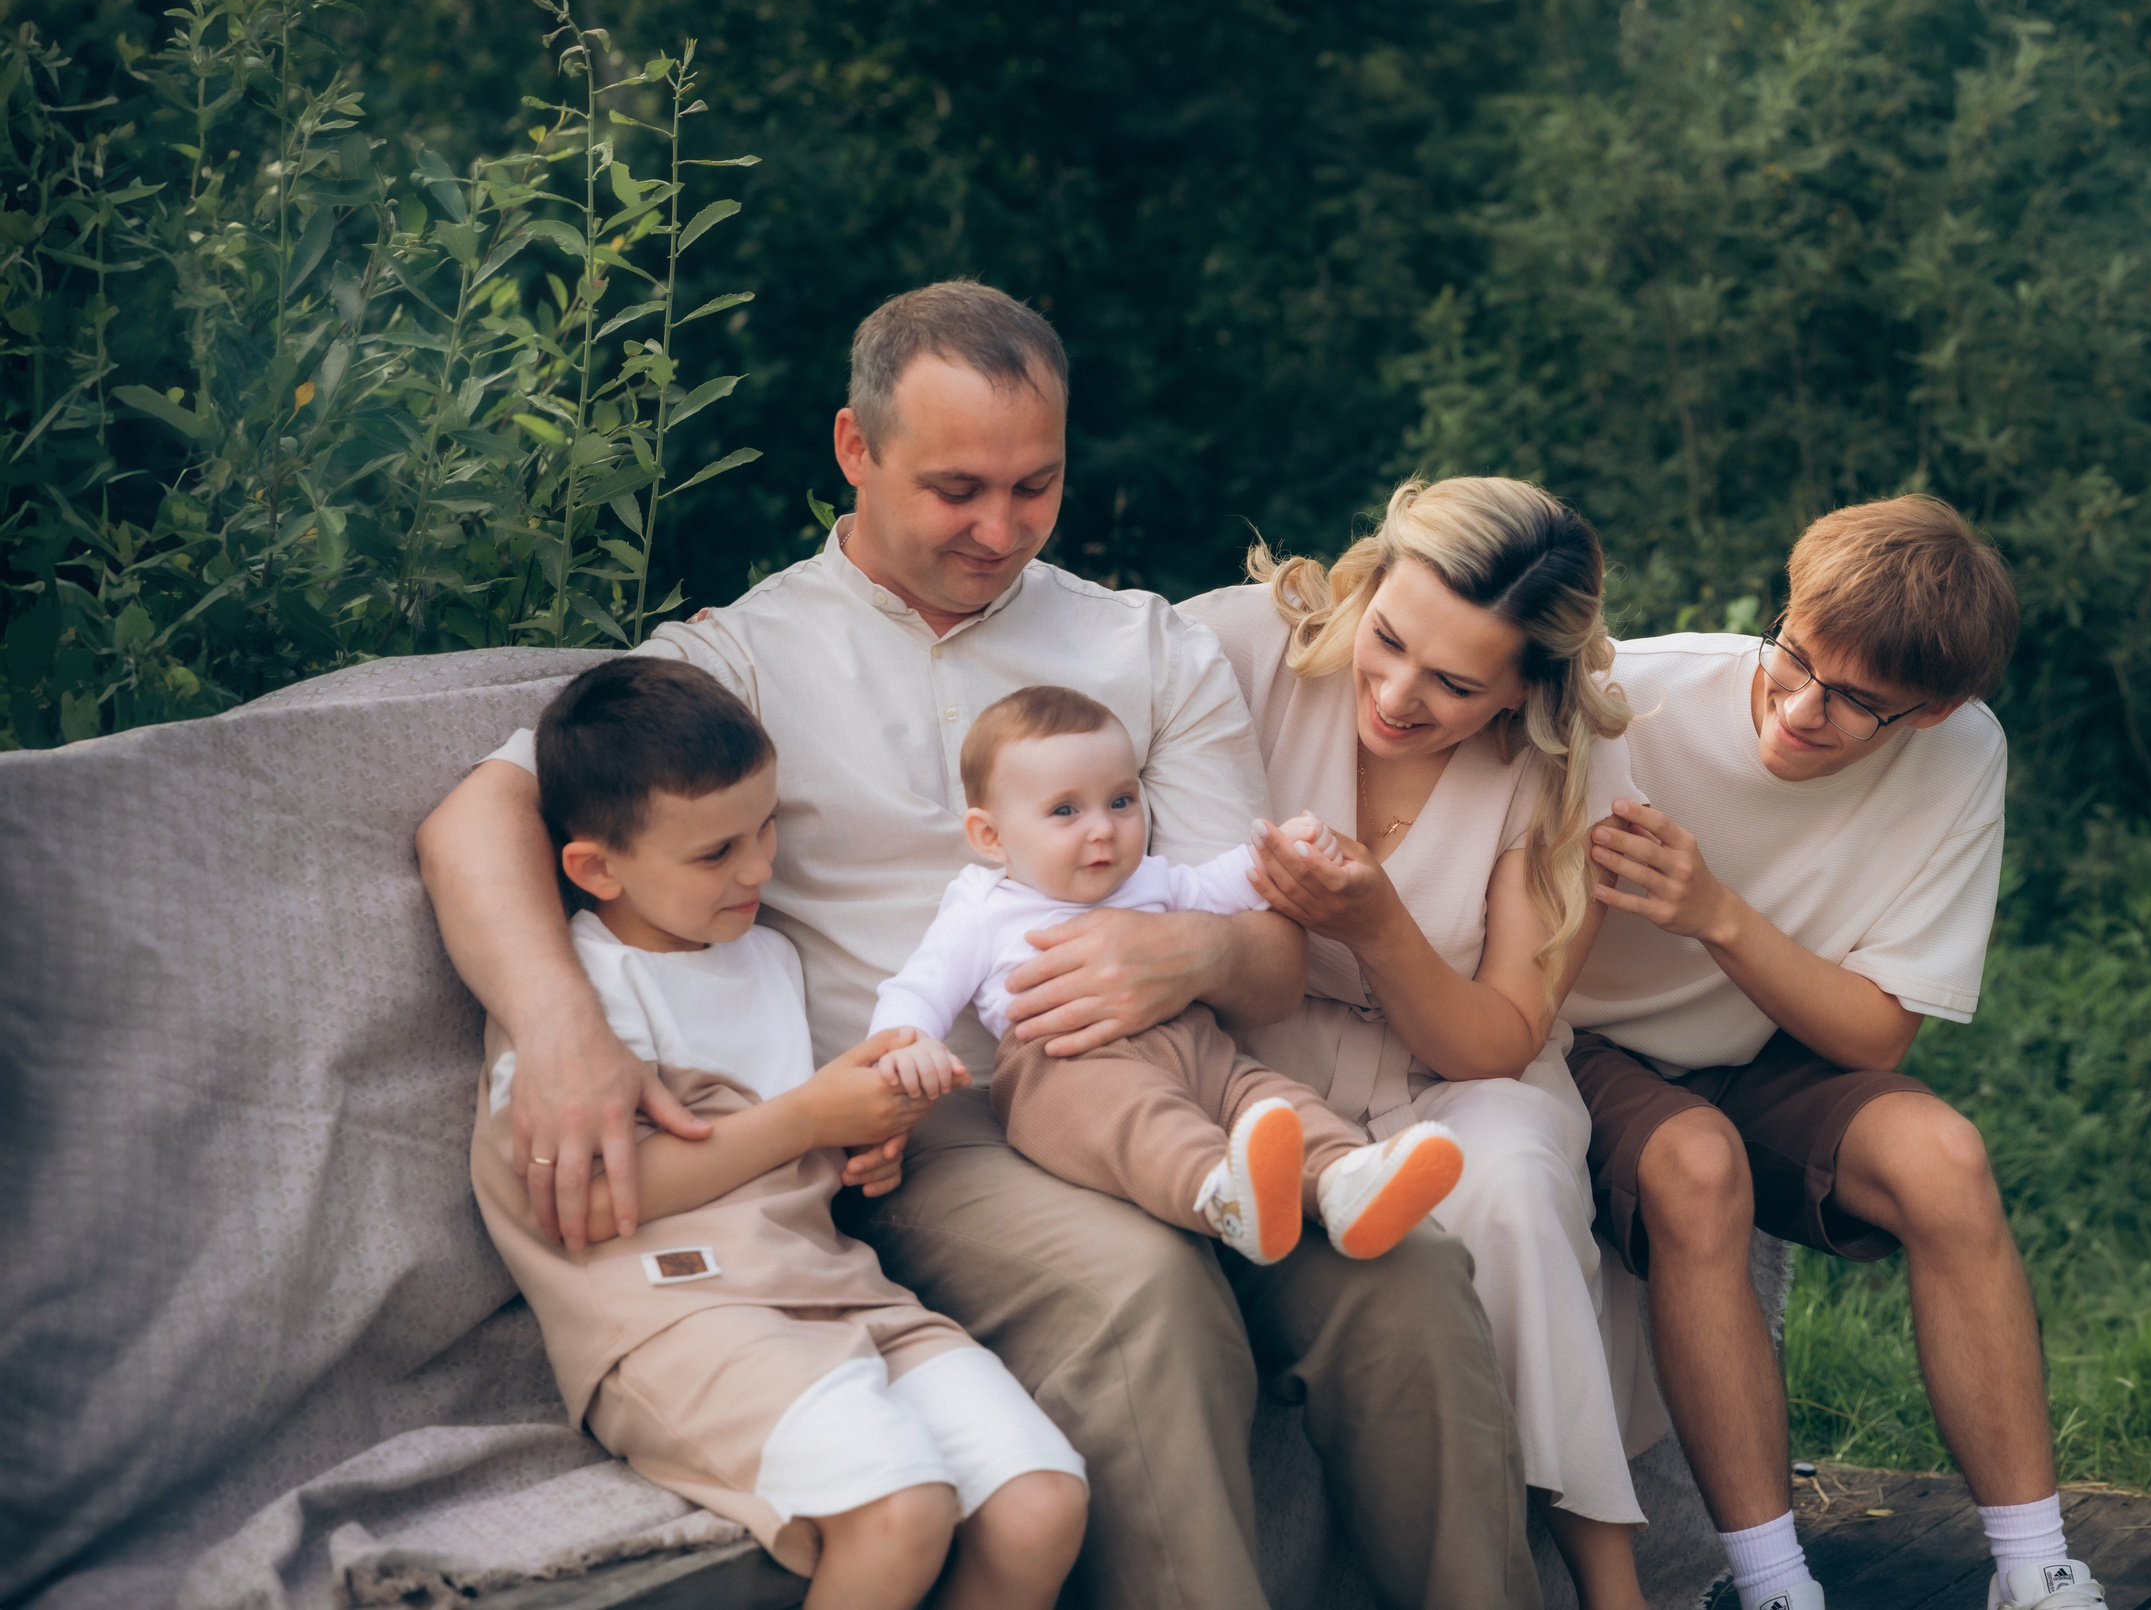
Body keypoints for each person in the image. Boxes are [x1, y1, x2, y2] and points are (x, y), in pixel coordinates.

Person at [414, 280, 1541, 1610]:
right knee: (1141, 1288)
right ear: (854, 449)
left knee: (1401, 1266)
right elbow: (477, 810)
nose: (999, 528)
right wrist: (559, 1026)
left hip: (1177, 1078)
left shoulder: (1147, 646)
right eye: (957, 487)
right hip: (929, 1134)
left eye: (1036, 485)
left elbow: (1271, 958)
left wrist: (1183, 954)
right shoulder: (746, 655)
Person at [1563, 495, 2109, 1610]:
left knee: (1944, 1156)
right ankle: (1770, 1582)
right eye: (1794, 658)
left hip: (1761, 1050)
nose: (1802, 709)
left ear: (1931, 710)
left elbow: (1875, 1030)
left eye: (1858, 702)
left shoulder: (1962, 756)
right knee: (1695, 1162)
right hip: (1584, 1046)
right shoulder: (1629, 695)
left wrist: (1716, 913)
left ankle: (2034, 1565)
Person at [470, 654, 1087, 1610]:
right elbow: (584, 1204)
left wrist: (855, 1148)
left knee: (1040, 1503)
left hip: (833, 1290)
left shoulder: (767, 958)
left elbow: (779, 1162)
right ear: (597, 869)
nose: (759, 867)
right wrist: (805, 1118)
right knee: (901, 1509)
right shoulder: (576, 1003)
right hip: (674, 1314)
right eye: (715, 853)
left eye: (767, 829)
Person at [1180, 475, 1653, 1610]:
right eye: (1386, 640)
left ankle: (1612, 1583)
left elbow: (1498, 1034)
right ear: (1369, 581)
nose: (1394, 693)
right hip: (1257, 1064)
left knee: (1514, 1186)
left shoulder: (1566, 761)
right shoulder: (1236, 646)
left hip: (1458, 1070)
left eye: (1454, 684)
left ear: (1524, 689)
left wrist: (1378, 925)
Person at [865, 683, 1466, 1265]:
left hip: (1194, 1043)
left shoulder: (1151, 879)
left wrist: (1290, 847)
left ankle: (1345, 1178)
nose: (1103, 828)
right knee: (1138, 1119)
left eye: (1121, 801)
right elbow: (921, 984)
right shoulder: (983, 905)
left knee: (1268, 1100)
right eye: (1065, 810)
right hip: (1064, 1062)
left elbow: (1227, 883)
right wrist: (908, 1040)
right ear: (990, 836)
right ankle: (1218, 1192)